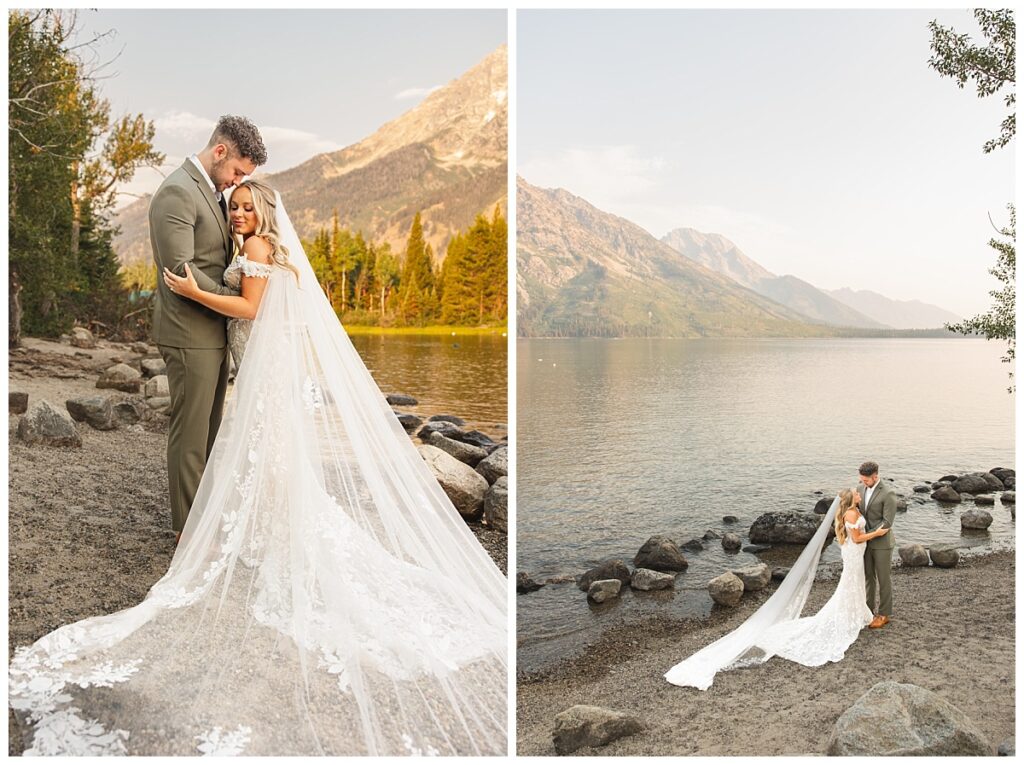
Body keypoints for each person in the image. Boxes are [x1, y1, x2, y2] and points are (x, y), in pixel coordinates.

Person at [10, 181, 508, 756]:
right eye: (235, 207)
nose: (240, 213)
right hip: (258, 370)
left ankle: (279, 537)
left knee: (265, 459)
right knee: (266, 462)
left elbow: (248, 307)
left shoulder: (261, 250)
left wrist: (195, 291)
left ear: (265, 211)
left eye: (249, 206)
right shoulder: (252, 247)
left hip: (264, 376)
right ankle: (276, 532)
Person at [149, 115, 267, 542]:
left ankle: (202, 515)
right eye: (237, 171)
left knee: (210, 430)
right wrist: (241, 299)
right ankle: (186, 529)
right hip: (187, 332)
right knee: (191, 431)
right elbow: (181, 272)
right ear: (220, 152)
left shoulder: (214, 193)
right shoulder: (178, 192)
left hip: (211, 331)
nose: (236, 183)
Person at [664, 472, 892, 691]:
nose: (860, 493)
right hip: (854, 553)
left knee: (851, 585)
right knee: (850, 584)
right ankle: (853, 614)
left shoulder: (852, 510)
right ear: (851, 499)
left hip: (854, 553)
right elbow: (857, 537)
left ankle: (858, 612)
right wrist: (878, 533)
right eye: (857, 492)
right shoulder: (851, 514)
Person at [858, 460, 898, 628]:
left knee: (883, 579)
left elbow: (887, 522)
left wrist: (868, 534)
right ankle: (868, 611)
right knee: (868, 577)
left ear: (875, 476)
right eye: (861, 480)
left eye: (866, 480)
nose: (863, 483)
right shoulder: (860, 489)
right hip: (865, 543)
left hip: (882, 543)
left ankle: (884, 614)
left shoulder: (888, 493)